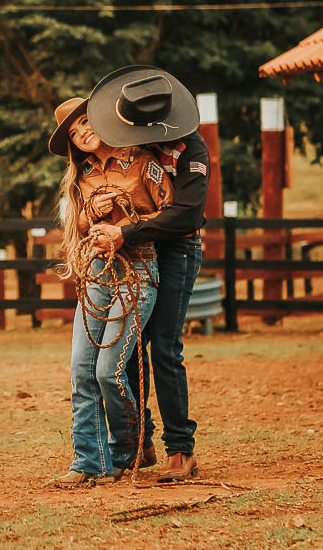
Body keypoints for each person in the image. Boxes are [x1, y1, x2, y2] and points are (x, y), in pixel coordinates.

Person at [87, 66, 209, 482]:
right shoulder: (131, 146)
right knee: (132, 346)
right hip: (136, 249)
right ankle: (141, 439)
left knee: (165, 348)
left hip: (175, 250)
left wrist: (126, 231)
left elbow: (186, 214)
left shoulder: (191, 150)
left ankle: (181, 449)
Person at [47, 96, 174, 487]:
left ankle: (129, 448)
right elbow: (78, 225)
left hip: (137, 267)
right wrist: (91, 215)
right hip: (98, 271)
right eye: (74, 132)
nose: (83, 133)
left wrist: (127, 223)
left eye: (85, 122)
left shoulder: (141, 161)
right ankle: (88, 461)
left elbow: (171, 215)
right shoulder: (81, 175)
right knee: (81, 371)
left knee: (109, 371)